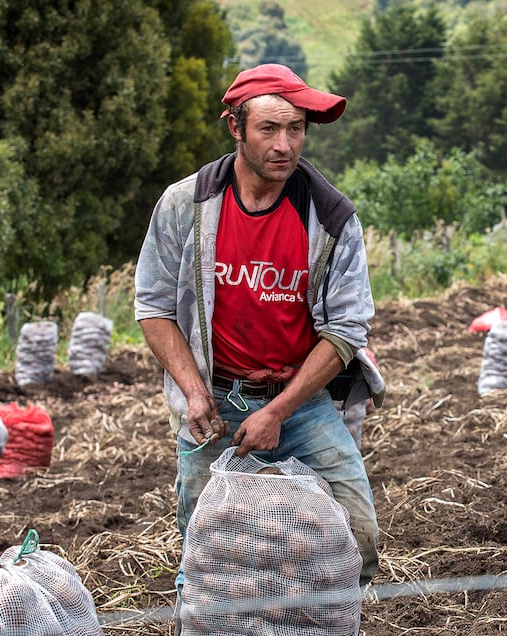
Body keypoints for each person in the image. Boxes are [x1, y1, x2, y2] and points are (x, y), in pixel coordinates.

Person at [135, 63, 384, 591]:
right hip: (216, 404)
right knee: (206, 548)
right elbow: (153, 307)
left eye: (296, 129)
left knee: (357, 533)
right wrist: (193, 392)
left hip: (301, 403)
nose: (284, 145)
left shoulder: (330, 216)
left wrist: (278, 410)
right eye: (269, 129)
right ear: (236, 128)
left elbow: (345, 330)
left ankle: (321, 628)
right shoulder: (185, 205)